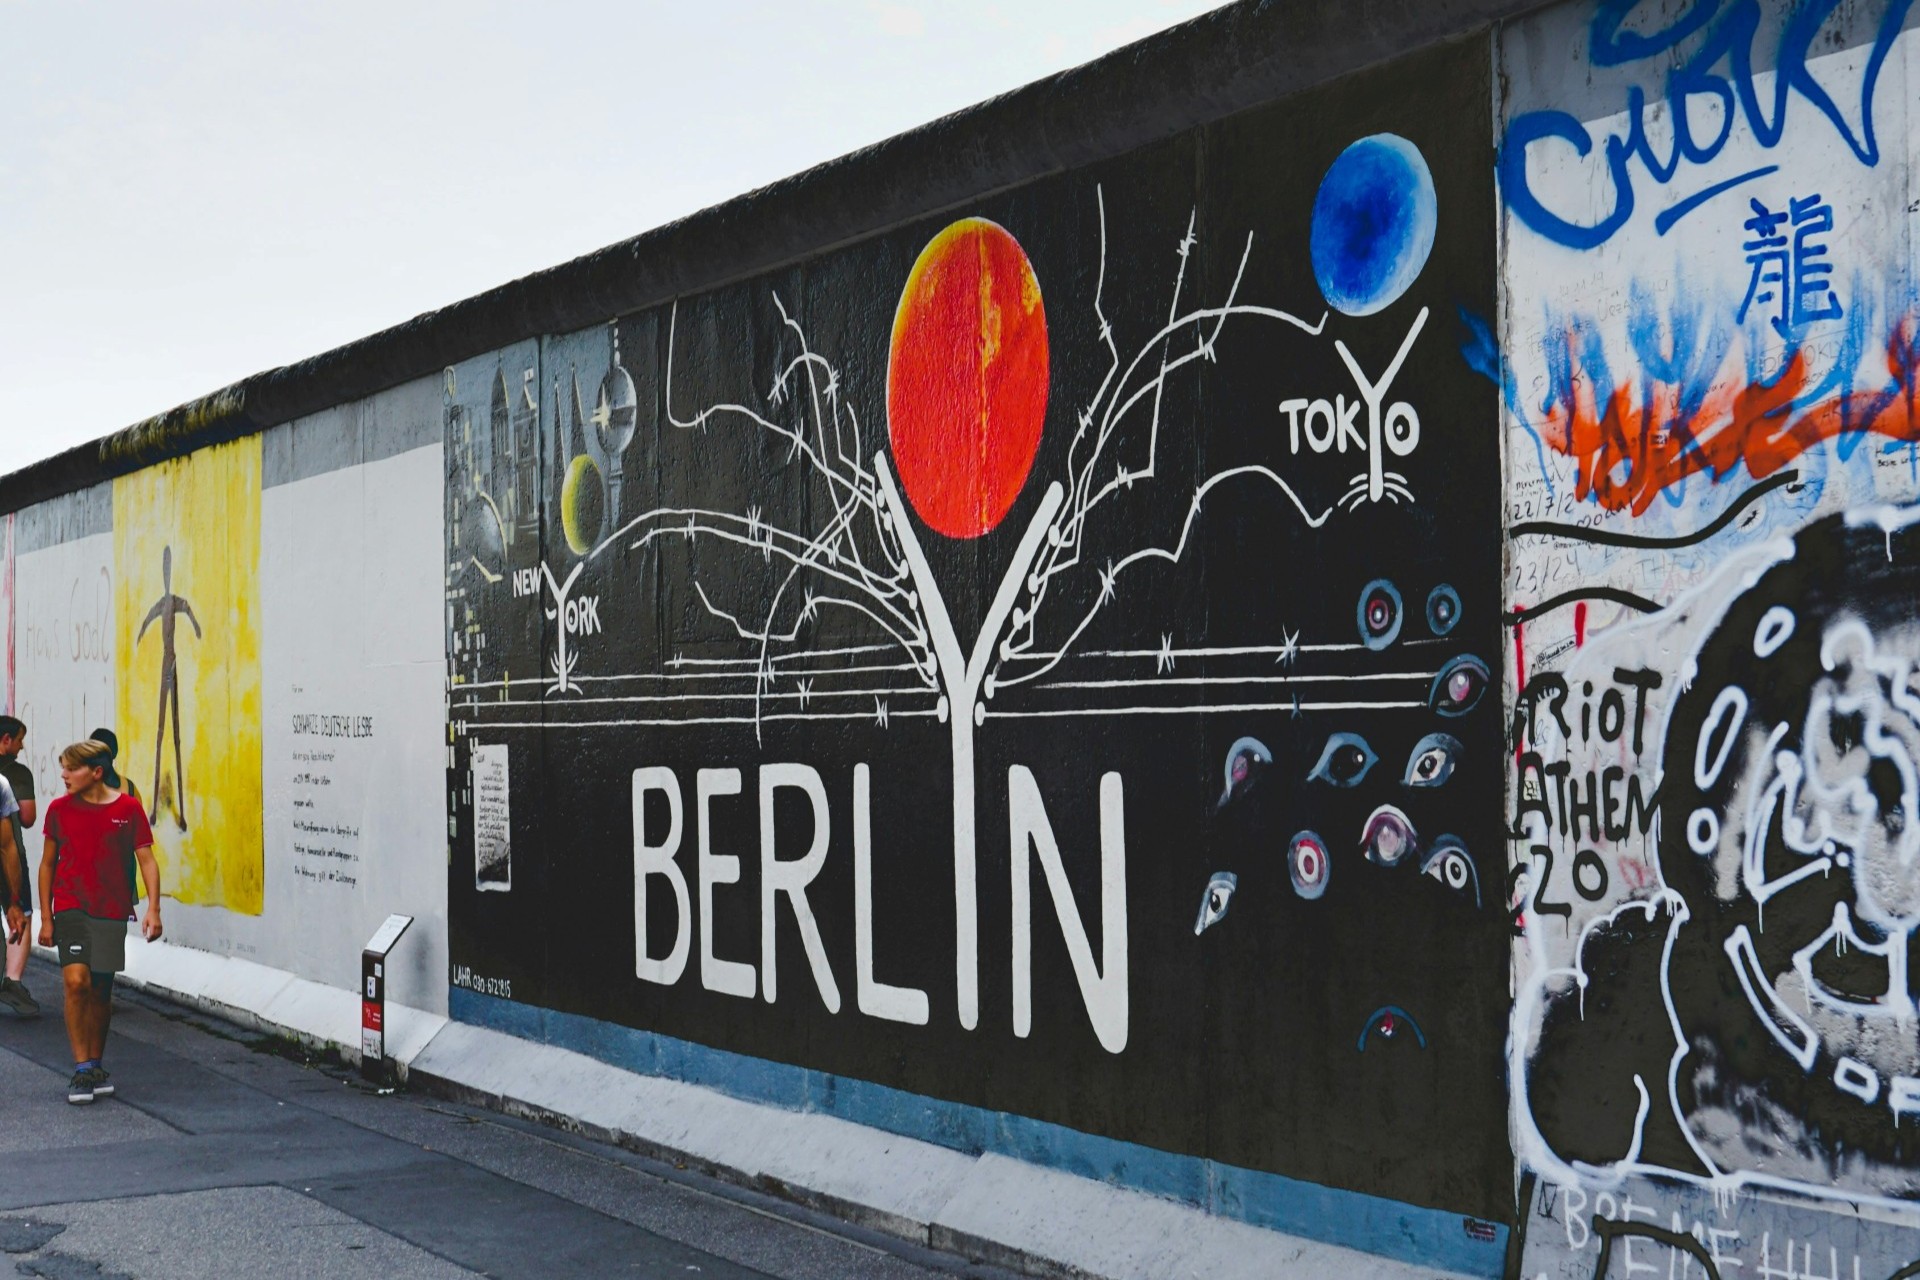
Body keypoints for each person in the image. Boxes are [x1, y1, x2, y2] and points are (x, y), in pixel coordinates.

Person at [38, 740, 160, 1104]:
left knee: (101, 990)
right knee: (77, 982)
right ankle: (80, 1070)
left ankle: (95, 1063)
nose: (63, 775)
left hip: (110, 910)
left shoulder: (128, 808)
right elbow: (47, 864)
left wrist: (154, 909)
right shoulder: (59, 810)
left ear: (96, 772)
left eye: (70, 768)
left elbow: (147, 861)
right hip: (71, 907)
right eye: (63, 768)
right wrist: (47, 916)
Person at [0, 717, 38, 1015]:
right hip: (9, 856)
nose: (22, 745)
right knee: (20, 913)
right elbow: (27, 818)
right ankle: (12, 980)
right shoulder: (16, 774)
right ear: (5, 740)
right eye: (19, 740)